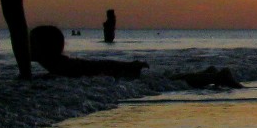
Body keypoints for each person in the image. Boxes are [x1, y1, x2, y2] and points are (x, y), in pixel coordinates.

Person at [29, 25, 241, 87]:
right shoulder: (59, 66)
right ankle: (208, 73)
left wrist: (128, 66)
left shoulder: (61, 67)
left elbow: (96, 66)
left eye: (33, 43)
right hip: (120, 75)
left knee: (174, 82)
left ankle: (216, 77)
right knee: (171, 80)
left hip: (121, 77)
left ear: (45, 48)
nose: (28, 47)